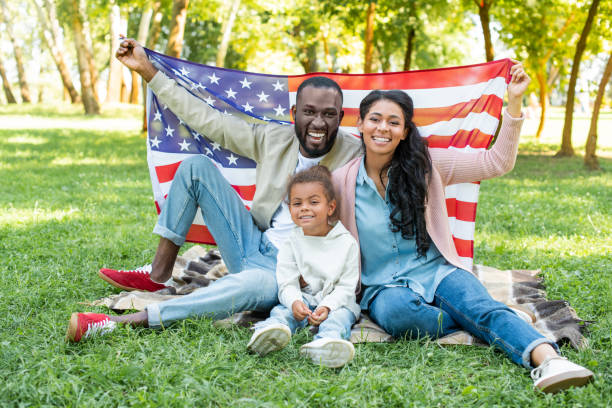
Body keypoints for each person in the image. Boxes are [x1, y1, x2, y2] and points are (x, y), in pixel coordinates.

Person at [65, 39, 362, 342]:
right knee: (196, 168)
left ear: (341, 117)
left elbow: (399, 162)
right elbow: (211, 122)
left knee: (246, 288)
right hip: (252, 244)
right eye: (309, 112)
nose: (318, 122)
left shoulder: (355, 153)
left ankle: (130, 320)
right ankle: (158, 275)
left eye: (329, 114)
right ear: (294, 112)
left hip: (285, 274)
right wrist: (148, 71)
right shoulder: (274, 138)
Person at [330, 62, 594, 393]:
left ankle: (550, 361)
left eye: (394, 122)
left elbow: (496, 162)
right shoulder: (341, 181)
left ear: (405, 131)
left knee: (478, 306)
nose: (383, 128)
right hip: (382, 287)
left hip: (437, 271)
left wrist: (513, 103)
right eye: (375, 119)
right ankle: (498, 316)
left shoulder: (426, 166)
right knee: (400, 317)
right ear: (361, 124)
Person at [246, 166, 360, 368]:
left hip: (338, 301)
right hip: (306, 298)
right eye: (297, 203)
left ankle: (326, 344)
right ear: (289, 209)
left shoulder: (347, 242)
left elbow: (346, 287)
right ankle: (271, 332)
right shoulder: (291, 243)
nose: (304, 208)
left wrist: (327, 306)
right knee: (282, 311)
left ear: (330, 207)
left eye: (314, 202)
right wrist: (295, 302)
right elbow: (287, 283)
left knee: (339, 318)